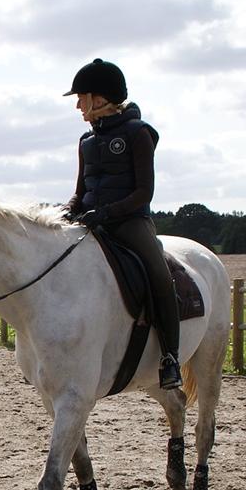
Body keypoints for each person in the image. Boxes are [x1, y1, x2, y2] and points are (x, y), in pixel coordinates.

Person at [63, 58, 182, 390]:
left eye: (81, 97)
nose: (77, 105)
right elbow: (80, 191)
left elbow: (144, 191)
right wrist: (69, 209)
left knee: (159, 274)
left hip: (130, 222)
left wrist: (106, 213)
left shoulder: (139, 134)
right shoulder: (86, 141)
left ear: (100, 98)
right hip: (89, 222)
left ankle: (170, 357)